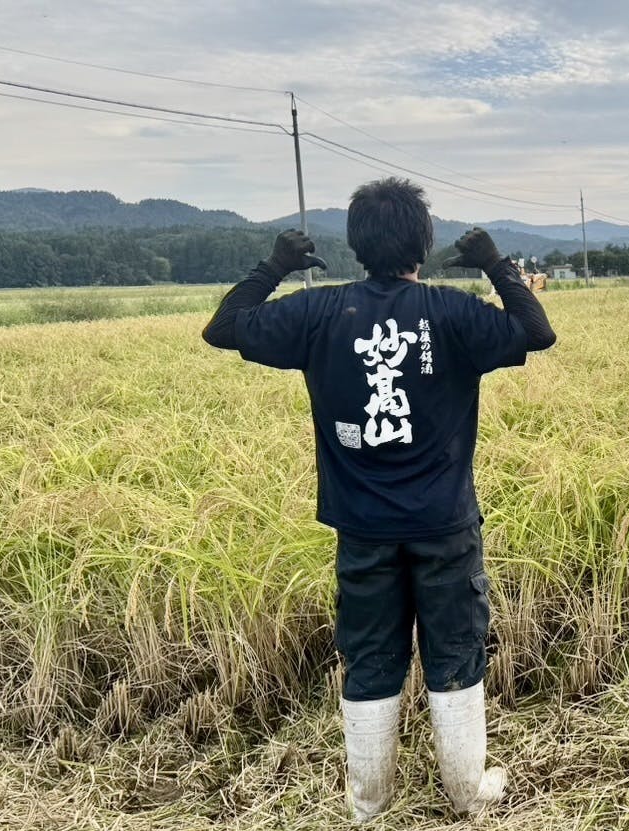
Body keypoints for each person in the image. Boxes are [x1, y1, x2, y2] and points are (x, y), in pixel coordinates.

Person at [201, 178, 556, 822]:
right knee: (455, 650)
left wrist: (275, 266)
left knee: (369, 655)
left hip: (362, 528)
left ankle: (368, 803)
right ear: (423, 243)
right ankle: (467, 794)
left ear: (356, 245)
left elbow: (223, 329)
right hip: (444, 525)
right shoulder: (450, 312)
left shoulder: (318, 312)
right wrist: (496, 265)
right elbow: (536, 332)